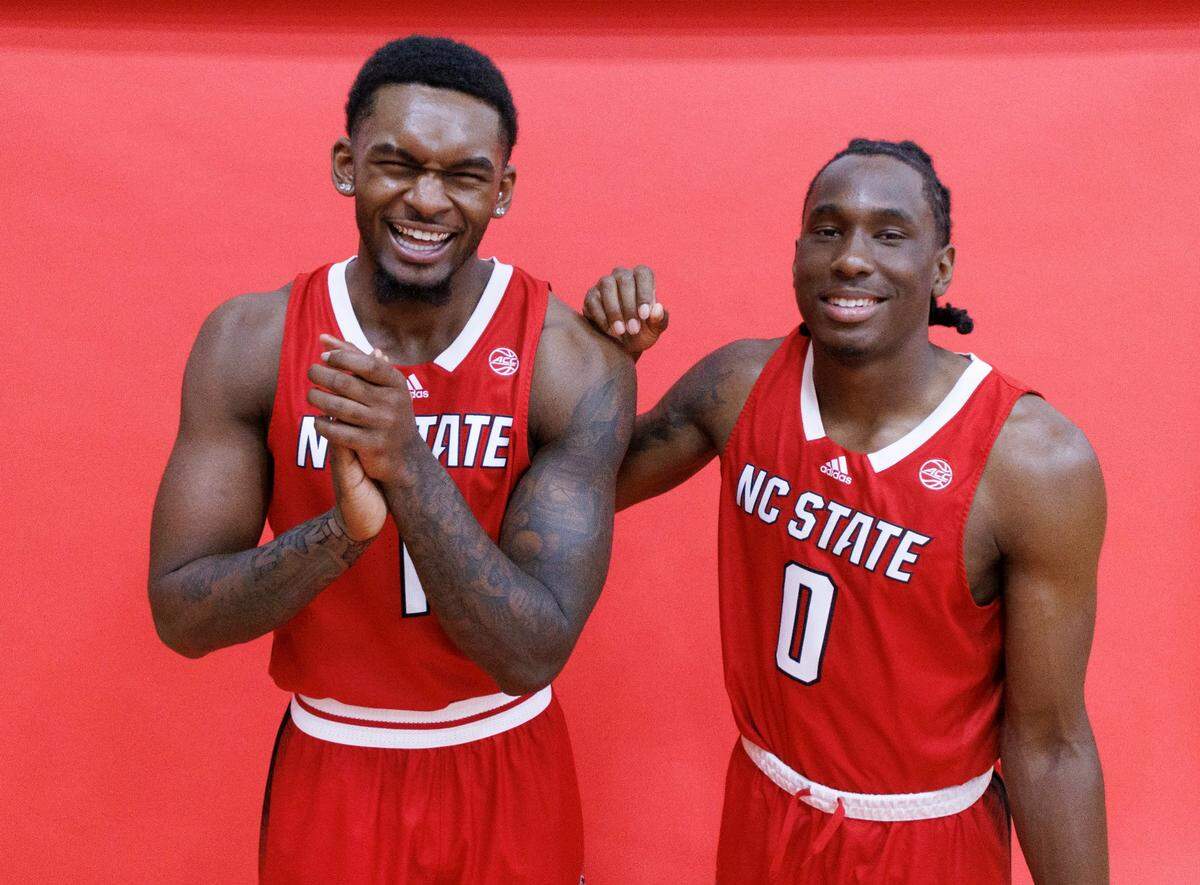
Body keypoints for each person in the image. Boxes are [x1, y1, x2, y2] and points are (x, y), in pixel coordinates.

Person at [149, 35, 634, 883]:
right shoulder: (253, 341)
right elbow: (181, 615)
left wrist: (407, 461)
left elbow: (533, 650)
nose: (427, 199)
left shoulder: (567, 359)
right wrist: (341, 533)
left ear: (503, 190)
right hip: (336, 753)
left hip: (505, 750)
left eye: (463, 175)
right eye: (396, 164)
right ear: (346, 165)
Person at [584, 139, 1108, 882]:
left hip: (924, 842)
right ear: (798, 250)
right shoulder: (737, 386)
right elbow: (577, 493)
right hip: (764, 810)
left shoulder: (1031, 462)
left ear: (941, 268)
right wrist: (605, 362)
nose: (851, 258)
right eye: (828, 230)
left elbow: (1051, 741)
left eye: (889, 234)